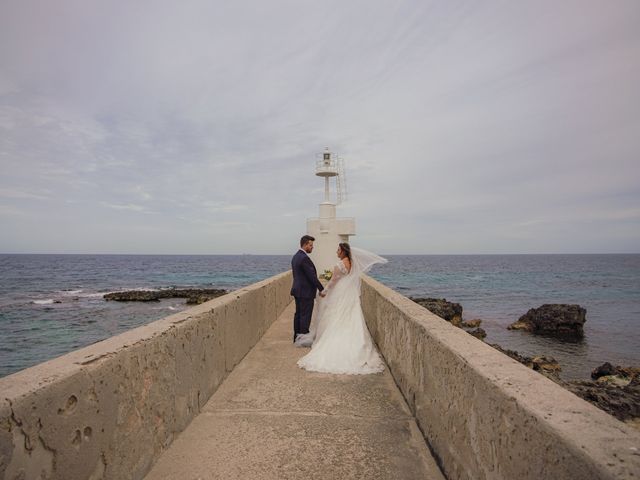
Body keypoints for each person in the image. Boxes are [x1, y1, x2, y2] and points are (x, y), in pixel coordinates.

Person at [296, 242, 388, 375]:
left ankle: (336, 344)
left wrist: (324, 291)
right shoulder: (352, 263)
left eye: (338, 250)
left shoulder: (339, 265)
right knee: (351, 317)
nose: (336, 252)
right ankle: (357, 344)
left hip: (340, 292)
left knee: (337, 317)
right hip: (350, 293)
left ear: (343, 251)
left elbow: (333, 281)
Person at [290, 235, 325, 343]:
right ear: (305, 245)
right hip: (305, 292)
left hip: (297, 290)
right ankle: (303, 340)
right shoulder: (304, 258)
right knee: (305, 316)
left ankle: (297, 338)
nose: (312, 247)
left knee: (299, 315)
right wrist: (321, 289)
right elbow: (311, 276)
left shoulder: (295, 256)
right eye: (310, 245)